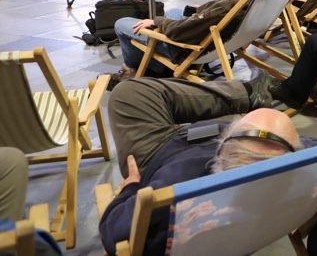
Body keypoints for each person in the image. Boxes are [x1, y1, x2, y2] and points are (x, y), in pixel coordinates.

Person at [98, 73, 295, 255]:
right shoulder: (303, 164)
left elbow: (114, 233)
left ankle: (247, 93)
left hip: (160, 152)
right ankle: (249, 93)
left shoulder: (173, 192)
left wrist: (131, 187)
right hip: (194, 139)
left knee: (128, 93)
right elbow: (306, 143)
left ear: (221, 155)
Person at [109, 0, 287, 83]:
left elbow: (178, 32)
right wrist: (200, 12)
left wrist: (157, 21)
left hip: (189, 48)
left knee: (122, 24)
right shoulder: (268, 2)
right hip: (218, 41)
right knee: (175, 12)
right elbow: (207, 16)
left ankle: (133, 68)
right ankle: (157, 63)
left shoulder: (230, 7)